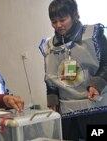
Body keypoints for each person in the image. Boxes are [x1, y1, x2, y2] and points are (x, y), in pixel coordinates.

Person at [39, 0, 107, 140]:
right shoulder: (49, 46)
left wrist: (97, 85)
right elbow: (50, 77)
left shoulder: (93, 34)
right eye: (54, 21)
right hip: (67, 113)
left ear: (75, 15)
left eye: (62, 20)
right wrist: (52, 99)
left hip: (95, 108)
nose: (58, 25)